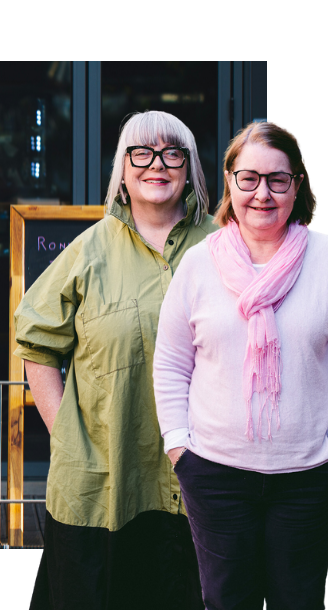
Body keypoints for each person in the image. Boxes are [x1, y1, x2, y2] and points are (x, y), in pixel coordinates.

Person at [15, 110, 216, 610]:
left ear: (189, 167)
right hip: (103, 484)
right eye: (141, 153)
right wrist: (65, 432)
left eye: (173, 153)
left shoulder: (222, 247)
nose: (157, 165)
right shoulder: (89, 250)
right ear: (122, 171)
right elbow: (36, 345)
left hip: (200, 482)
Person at [154, 121, 327, 609]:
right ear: (230, 181)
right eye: (249, 178)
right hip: (216, 475)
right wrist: (179, 451)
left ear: (297, 185)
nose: (262, 194)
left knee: (300, 602)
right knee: (229, 603)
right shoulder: (198, 265)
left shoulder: (324, 262)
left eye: (278, 179)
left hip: (308, 478)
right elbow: (171, 365)